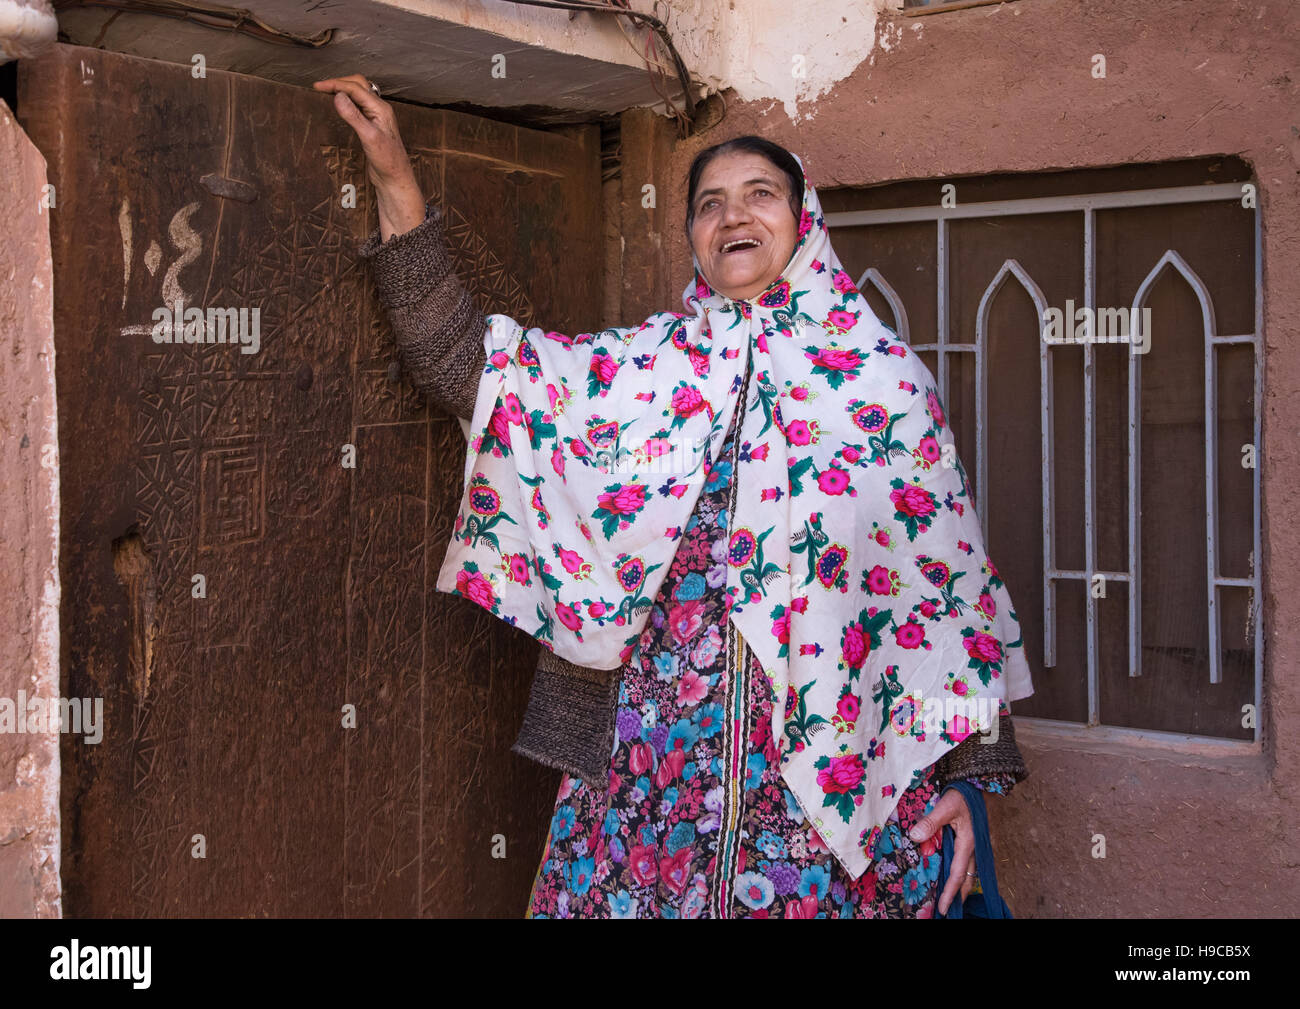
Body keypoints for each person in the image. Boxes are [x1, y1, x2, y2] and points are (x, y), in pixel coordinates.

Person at [318, 73, 1033, 919]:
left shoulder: (885, 387)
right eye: (710, 203)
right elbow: (472, 372)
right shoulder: (639, 373)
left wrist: (967, 781)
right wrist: (397, 179)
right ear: (693, 236)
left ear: (805, 221)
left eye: (761, 194)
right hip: (647, 780)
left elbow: (946, 597)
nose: (734, 216)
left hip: (832, 791)